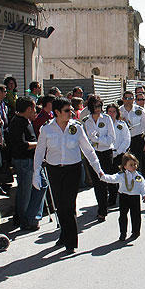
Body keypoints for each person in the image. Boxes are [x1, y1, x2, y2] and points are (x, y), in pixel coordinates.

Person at [33, 97, 105, 253]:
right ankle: (65, 234)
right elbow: (39, 152)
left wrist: (97, 167)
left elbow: (88, 149)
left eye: (71, 110)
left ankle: (71, 242)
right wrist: (36, 173)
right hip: (54, 170)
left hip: (72, 170)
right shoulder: (46, 129)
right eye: (67, 110)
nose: (71, 113)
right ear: (57, 112)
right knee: (60, 205)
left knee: (69, 204)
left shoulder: (76, 127)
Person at [7, 96, 46, 231]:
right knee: (26, 192)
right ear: (29, 108)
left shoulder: (26, 121)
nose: (35, 111)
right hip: (24, 161)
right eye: (34, 108)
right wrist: (39, 144)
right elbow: (21, 145)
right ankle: (25, 220)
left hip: (32, 160)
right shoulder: (18, 122)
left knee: (42, 185)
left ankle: (33, 216)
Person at [82, 95, 114, 221]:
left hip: (105, 153)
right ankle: (101, 207)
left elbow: (111, 138)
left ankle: (103, 207)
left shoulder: (106, 119)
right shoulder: (86, 120)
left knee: (103, 180)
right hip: (92, 153)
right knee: (96, 182)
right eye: (95, 106)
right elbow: (84, 139)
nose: (98, 109)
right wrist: (95, 141)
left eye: (100, 106)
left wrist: (97, 139)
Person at [102, 153, 145, 241]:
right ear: (125, 166)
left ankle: (135, 232)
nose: (134, 166)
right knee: (123, 216)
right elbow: (112, 178)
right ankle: (123, 233)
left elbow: (143, 185)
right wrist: (103, 177)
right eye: (131, 165)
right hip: (124, 197)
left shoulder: (138, 176)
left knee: (135, 215)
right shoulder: (121, 175)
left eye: (135, 164)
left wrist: (144, 194)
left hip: (135, 197)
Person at [119, 91, 145, 185]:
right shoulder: (119, 111)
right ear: (123, 99)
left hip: (138, 139)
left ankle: (140, 183)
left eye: (130, 98)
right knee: (125, 163)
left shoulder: (139, 110)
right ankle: (127, 183)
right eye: (126, 98)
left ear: (133, 99)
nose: (128, 100)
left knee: (137, 163)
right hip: (124, 140)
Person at [106, 103, 131, 206]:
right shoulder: (103, 125)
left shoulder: (122, 124)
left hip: (119, 154)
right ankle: (112, 198)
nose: (111, 114)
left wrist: (118, 151)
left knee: (120, 177)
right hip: (107, 153)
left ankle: (122, 197)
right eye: (109, 112)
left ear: (117, 113)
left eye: (113, 112)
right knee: (110, 177)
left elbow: (127, 139)